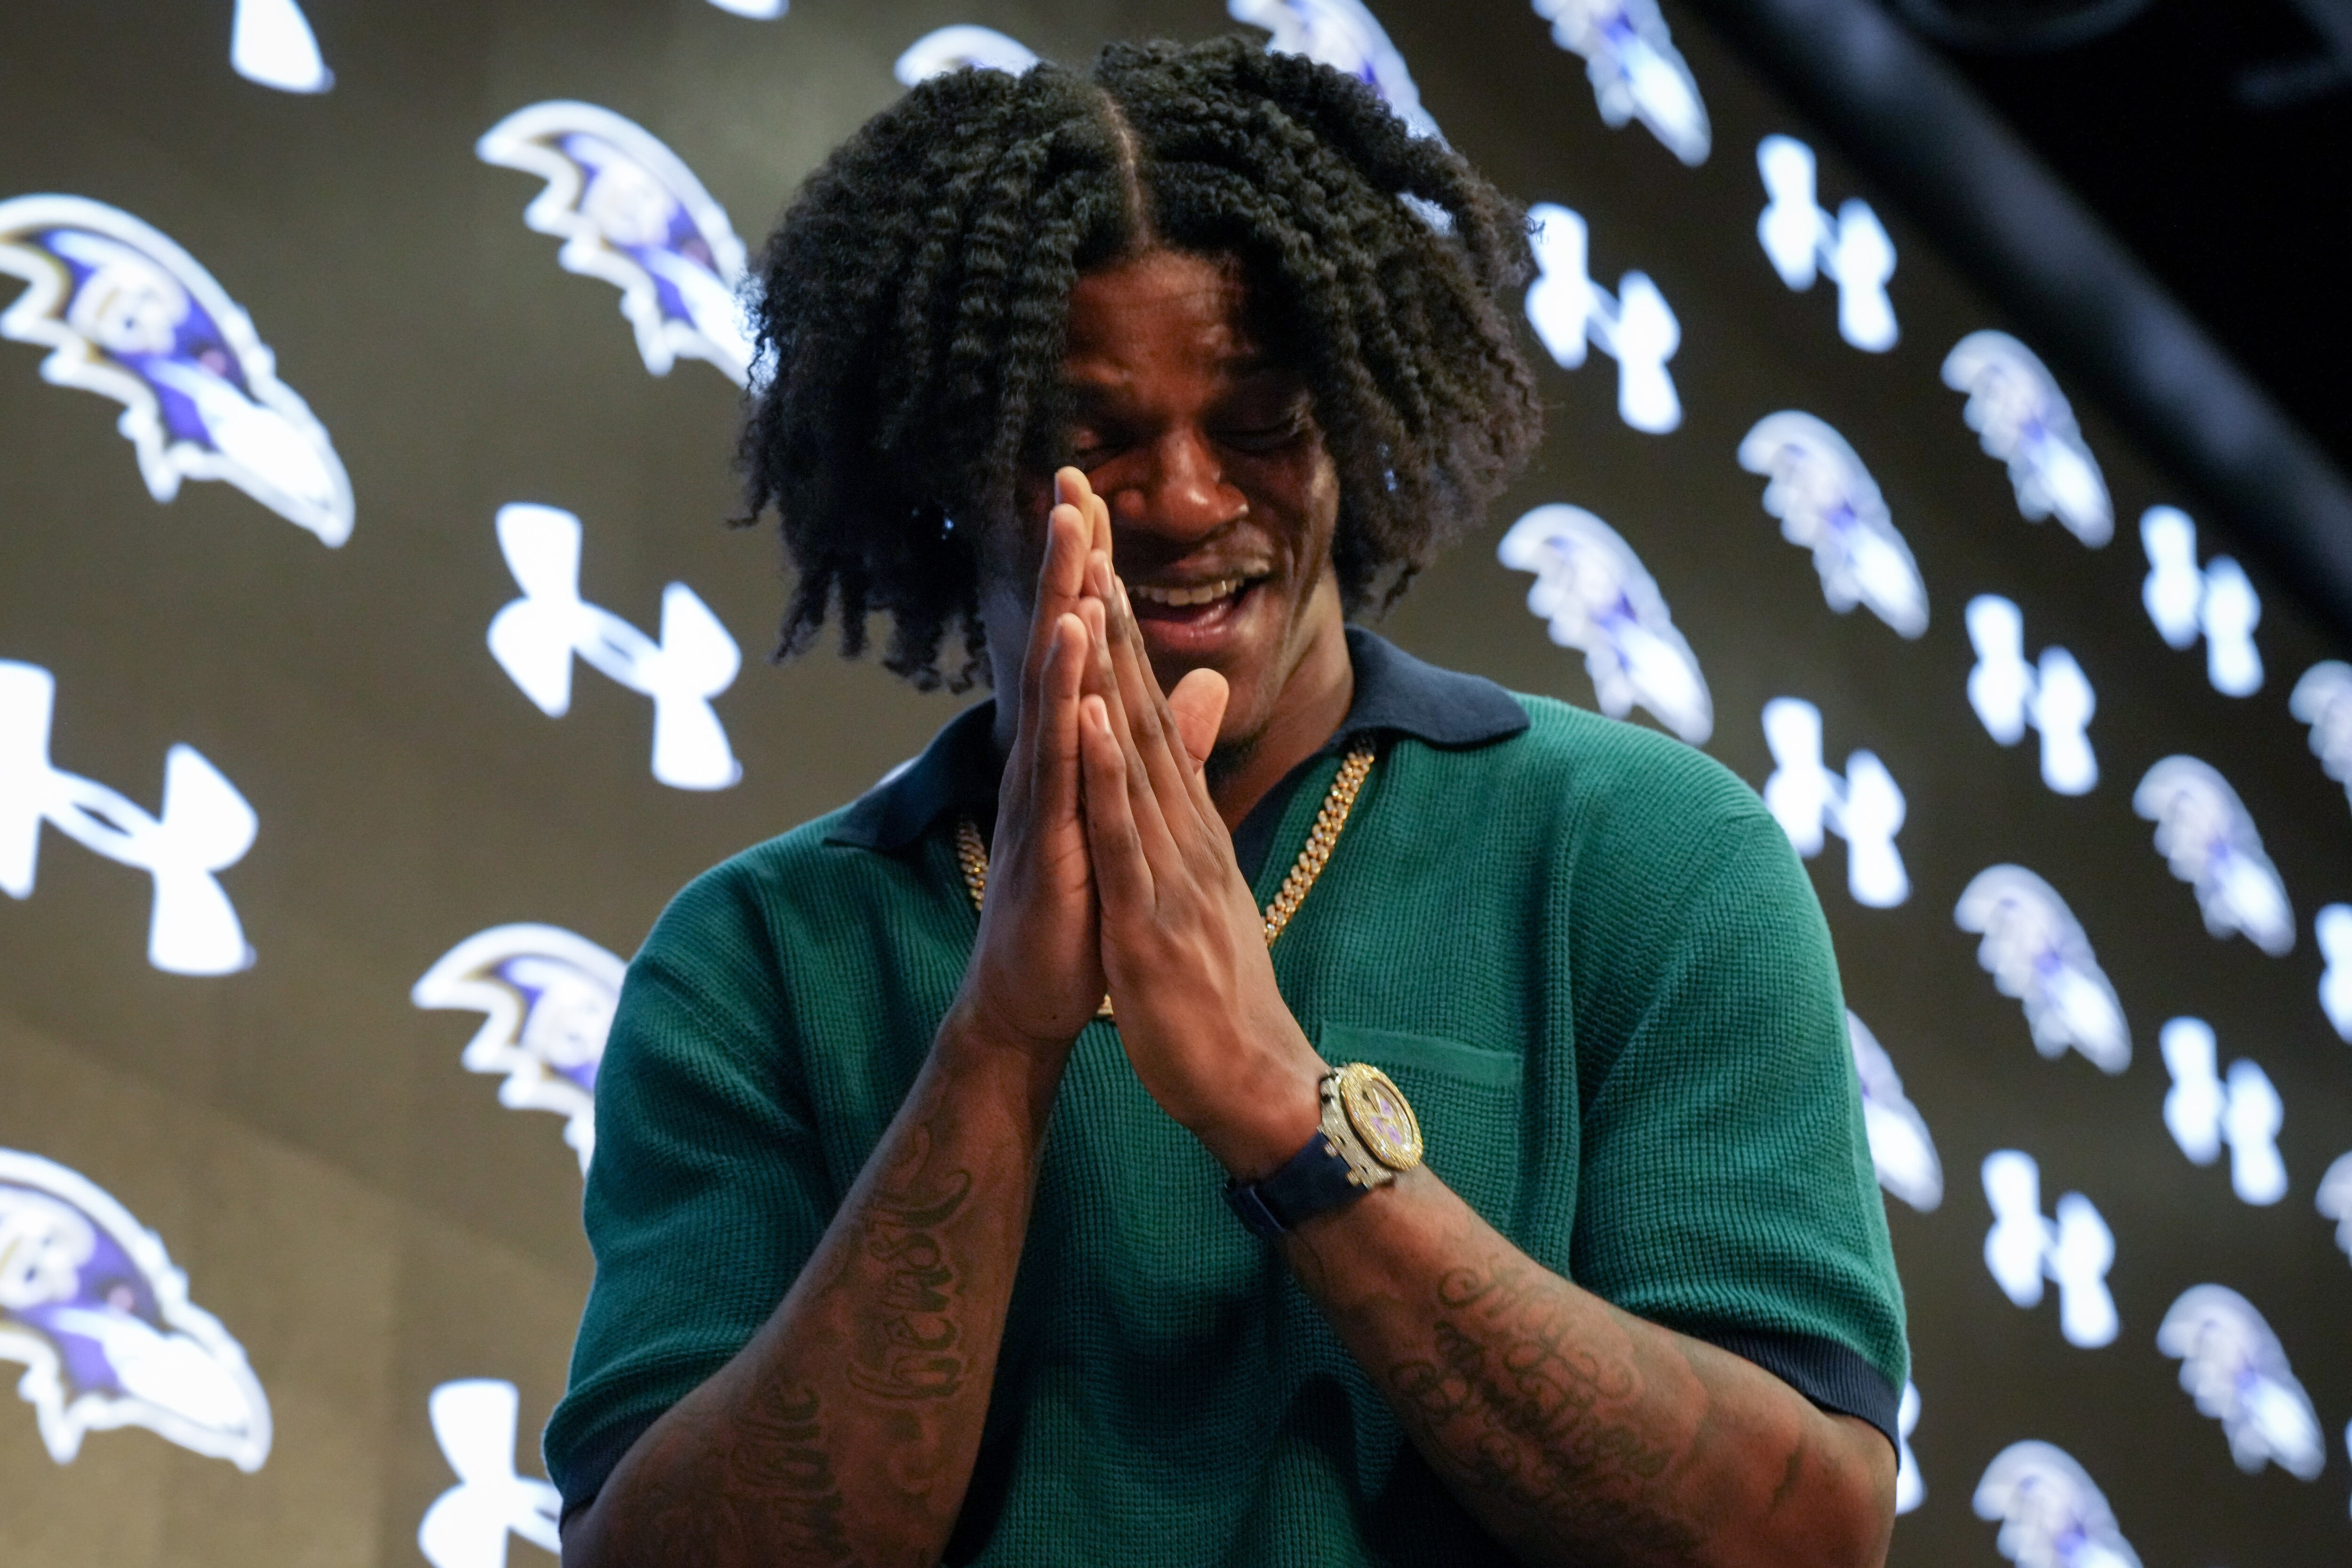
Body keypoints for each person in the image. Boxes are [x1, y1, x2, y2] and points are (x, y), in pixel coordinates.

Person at [548, 36, 1905, 1568]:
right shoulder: (762, 955)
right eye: (1088, 440)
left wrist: (1278, 1108)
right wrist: (998, 1049)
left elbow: (1803, 1535)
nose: (1189, 501)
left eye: (1261, 423)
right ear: (948, 458)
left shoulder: (1652, 856)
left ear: (1355, 421)